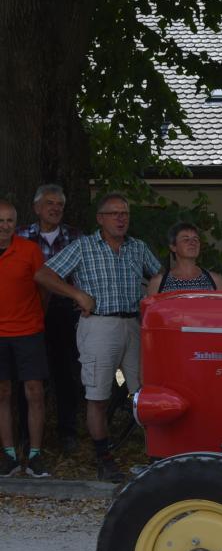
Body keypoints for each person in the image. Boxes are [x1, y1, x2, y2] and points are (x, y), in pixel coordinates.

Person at [33, 193, 162, 482]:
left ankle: (157, 458)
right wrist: (77, 294)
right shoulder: (83, 246)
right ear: (100, 219)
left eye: (125, 213)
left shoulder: (137, 248)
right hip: (99, 325)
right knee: (98, 396)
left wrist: (151, 299)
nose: (120, 219)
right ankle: (104, 459)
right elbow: (43, 274)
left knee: (146, 394)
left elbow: (160, 279)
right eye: (114, 213)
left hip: (133, 325)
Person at [15, 183, 83, 453]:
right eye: (50, 203)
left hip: (64, 312)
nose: (55, 209)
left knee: (66, 372)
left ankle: (67, 432)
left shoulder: (77, 237)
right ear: (36, 208)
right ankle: (25, 433)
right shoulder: (21, 236)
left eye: (59, 205)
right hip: (27, 311)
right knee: (28, 374)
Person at [0, 201, 49, 477]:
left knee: (35, 392)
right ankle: (8, 455)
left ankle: (35, 454)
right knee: (3, 393)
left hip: (28, 331)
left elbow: (44, 290)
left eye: (9, 220)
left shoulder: (29, 250)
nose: (4, 226)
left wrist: (36, 317)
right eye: (0, 220)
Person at [148, 223, 222, 294]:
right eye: (186, 239)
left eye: (196, 239)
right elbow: (152, 309)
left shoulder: (215, 280)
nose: (193, 242)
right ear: (173, 247)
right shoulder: (159, 282)